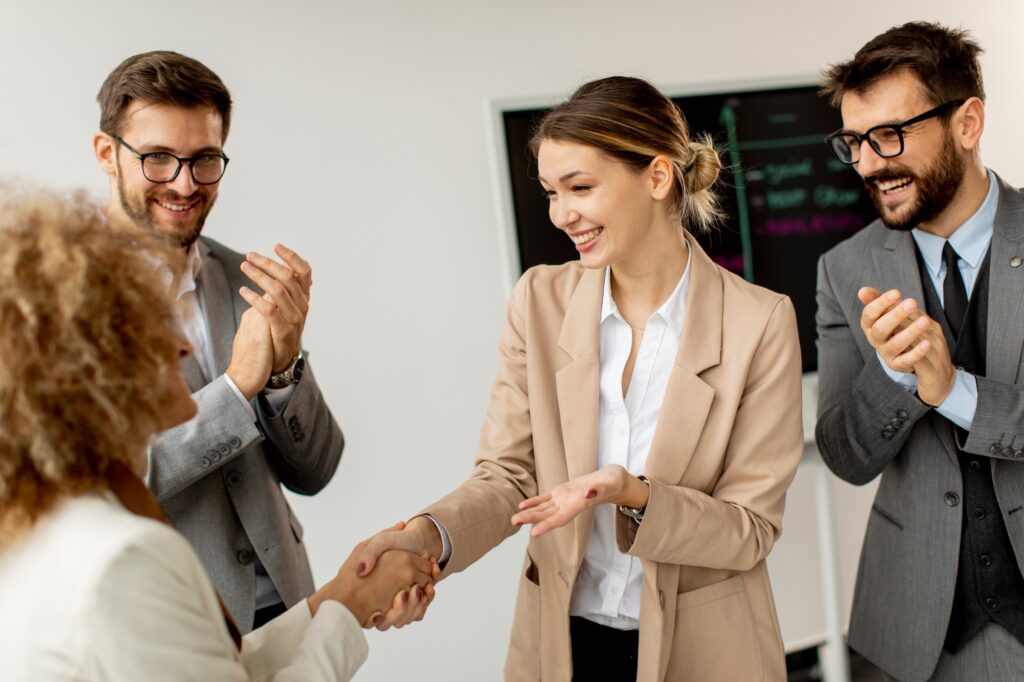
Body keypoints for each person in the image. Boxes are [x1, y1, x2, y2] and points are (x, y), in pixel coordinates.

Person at [354, 76, 804, 681]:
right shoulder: (539, 300)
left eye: (580, 188)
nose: (561, 215)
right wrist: (426, 540)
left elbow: (749, 530)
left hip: (705, 651)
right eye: (549, 192)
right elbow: (509, 476)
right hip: (561, 641)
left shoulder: (760, 320)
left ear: (657, 177)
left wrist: (632, 493)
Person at [0, 187, 436, 680]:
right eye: (153, 327)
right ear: (97, 372)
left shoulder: (47, 530)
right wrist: (345, 613)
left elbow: (223, 667)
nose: (186, 347)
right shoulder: (120, 561)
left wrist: (341, 598)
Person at [92, 51, 345, 632]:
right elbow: (98, 483)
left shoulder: (245, 278)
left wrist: (283, 375)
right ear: (107, 154)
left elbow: (318, 470)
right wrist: (237, 388)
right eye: (158, 158)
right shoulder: (58, 302)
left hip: (289, 607)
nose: (184, 184)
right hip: (164, 626)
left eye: (204, 159)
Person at [815, 21, 1024, 681]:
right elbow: (845, 455)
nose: (870, 164)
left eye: (889, 135)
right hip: (909, 634)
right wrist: (894, 373)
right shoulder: (843, 270)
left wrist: (953, 390)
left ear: (967, 123)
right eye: (854, 142)